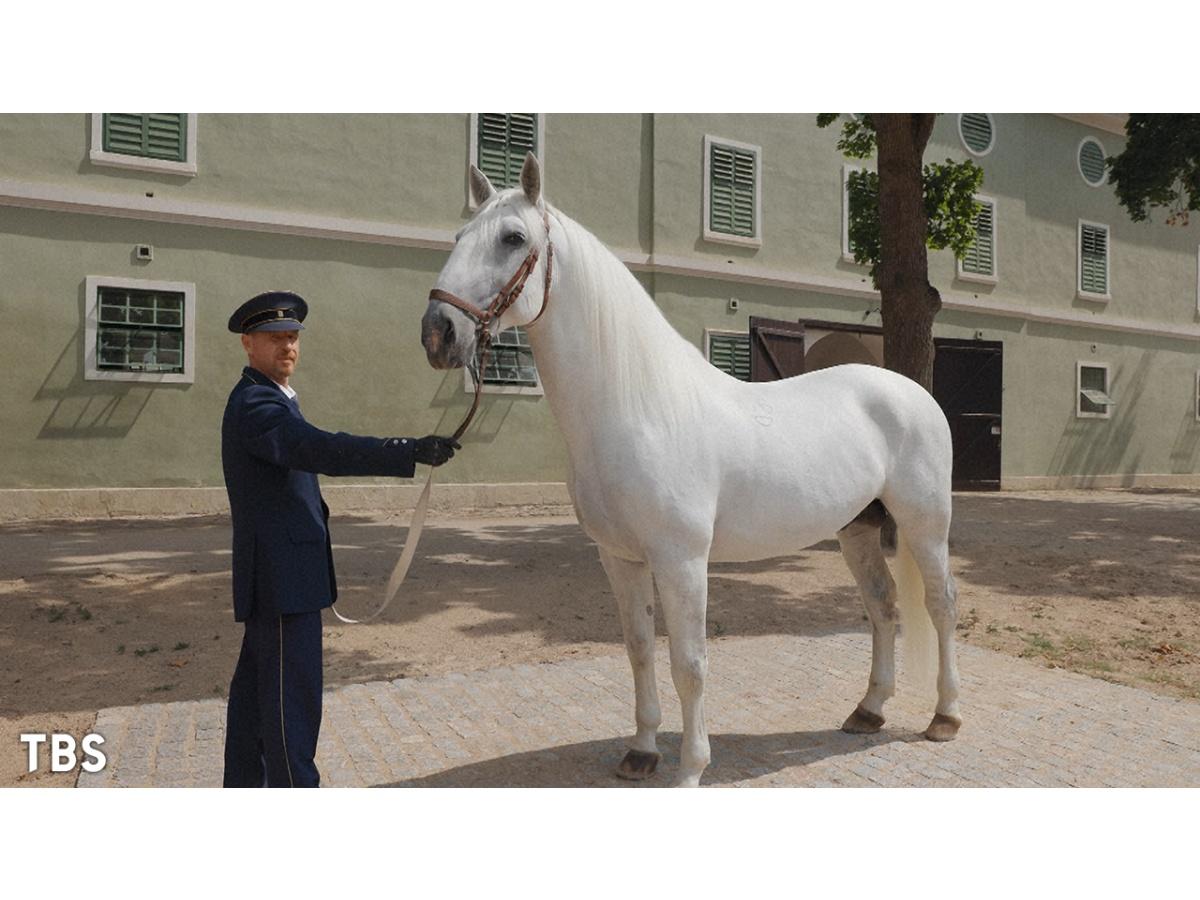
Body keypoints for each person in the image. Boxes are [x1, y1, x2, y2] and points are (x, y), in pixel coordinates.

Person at [220, 290, 459, 787]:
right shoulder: (255, 404)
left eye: (292, 337)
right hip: (283, 586)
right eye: (274, 338)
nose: (287, 346)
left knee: (256, 708)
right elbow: (321, 449)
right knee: (290, 714)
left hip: (284, 582)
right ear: (248, 344)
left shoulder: (273, 398)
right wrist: (405, 451)